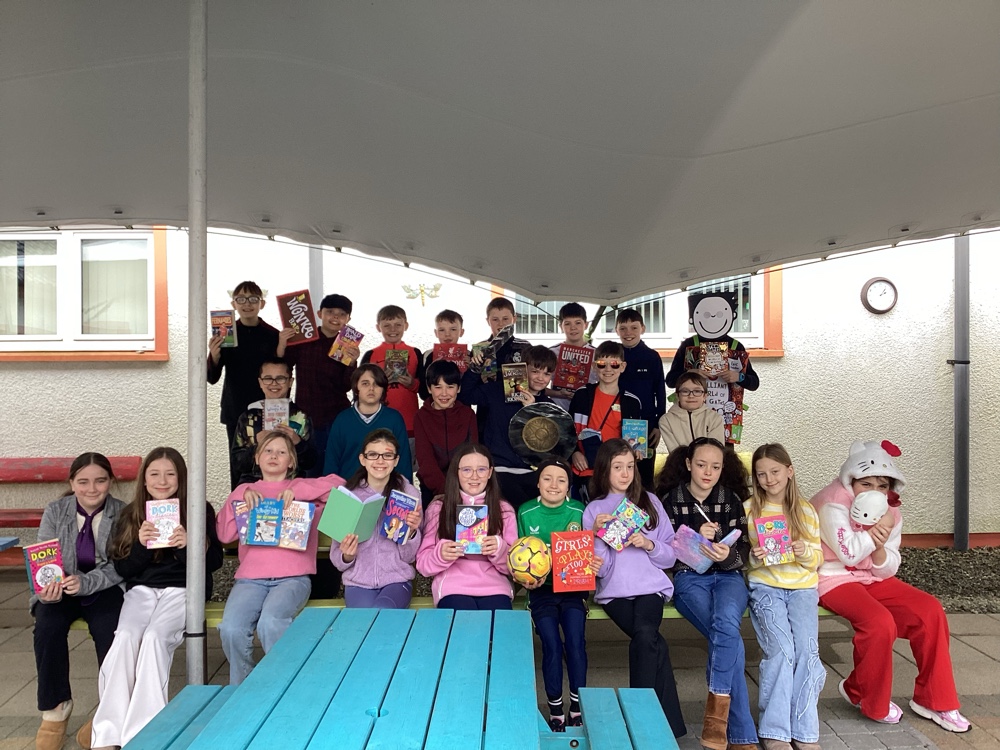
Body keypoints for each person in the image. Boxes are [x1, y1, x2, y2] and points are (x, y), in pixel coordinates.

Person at [812, 440, 970, 732]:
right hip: (833, 576)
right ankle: (866, 697)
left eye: (882, 486)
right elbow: (848, 554)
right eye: (865, 484)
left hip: (871, 576)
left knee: (929, 611)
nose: (873, 491)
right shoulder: (832, 502)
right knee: (879, 622)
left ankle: (934, 699)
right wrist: (875, 536)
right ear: (851, 481)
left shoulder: (890, 511)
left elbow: (889, 566)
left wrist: (880, 550)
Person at [90, 448, 223, 749]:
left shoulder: (198, 509)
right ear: (144, 480)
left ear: (181, 478)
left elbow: (214, 562)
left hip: (183, 589)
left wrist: (188, 545)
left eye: (170, 474)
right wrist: (140, 545)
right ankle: (108, 733)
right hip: (142, 590)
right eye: (154, 474)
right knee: (125, 637)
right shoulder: (131, 513)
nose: (162, 481)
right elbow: (123, 569)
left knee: (154, 638)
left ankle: (143, 732)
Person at [216, 432, 344, 684]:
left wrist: (297, 489)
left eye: (282, 452)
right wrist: (240, 497)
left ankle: (283, 684)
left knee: (271, 623)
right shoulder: (245, 491)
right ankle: (245, 686)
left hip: (292, 579)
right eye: (268, 450)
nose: (274, 455)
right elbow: (224, 534)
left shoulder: (304, 490)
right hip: (250, 580)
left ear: (292, 462)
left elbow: (340, 486)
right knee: (231, 628)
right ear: (257, 458)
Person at [658, 437, 757, 750]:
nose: (708, 472)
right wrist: (694, 542)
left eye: (715, 466)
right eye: (701, 465)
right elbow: (665, 554)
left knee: (725, 629)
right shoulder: (671, 500)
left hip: (728, 577)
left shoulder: (730, 499)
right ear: (689, 464)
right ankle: (740, 734)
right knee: (729, 638)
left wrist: (726, 554)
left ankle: (719, 721)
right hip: (690, 579)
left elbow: (744, 548)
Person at [582, 439, 686, 738]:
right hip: (614, 593)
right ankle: (663, 726)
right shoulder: (594, 510)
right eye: (617, 467)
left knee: (645, 635)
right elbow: (599, 570)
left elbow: (671, 555)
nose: (625, 473)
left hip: (651, 588)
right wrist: (597, 536)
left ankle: (639, 722)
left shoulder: (650, 501)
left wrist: (648, 544)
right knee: (652, 642)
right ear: (604, 470)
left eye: (630, 466)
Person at [31, 454, 125, 750]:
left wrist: (87, 583)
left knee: (110, 629)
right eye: (83, 482)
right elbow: (44, 557)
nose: (91, 489)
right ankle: (55, 707)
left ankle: (108, 713)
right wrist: (47, 588)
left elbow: (121, 565)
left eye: (100, 481)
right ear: (72, 483)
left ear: (111, 482)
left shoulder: (123, 513)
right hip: (62, 586)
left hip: (104, 585)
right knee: (47, 626)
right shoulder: (56, 510)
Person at [745, 444, 825, 750]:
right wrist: (753, 557)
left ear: (789, 472)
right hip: (766, 587)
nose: (769, 479)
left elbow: (817, 558)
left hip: (802, 588)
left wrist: (805, 552)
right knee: (782, 650)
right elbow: (744, 561)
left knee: (807, 651)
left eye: (775, 472)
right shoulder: (749, 510)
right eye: (761, 474)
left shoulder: (805, 510)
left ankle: (804, 729)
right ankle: (775, 731)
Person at [516, 457, 590, 732]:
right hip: (541, 591)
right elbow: (517, 557)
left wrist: (591, 563)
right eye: (547, 478)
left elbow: (589, 550)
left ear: (569, 486)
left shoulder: (578, 510)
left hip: (572, 590)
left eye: (561, 480)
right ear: (538, 482)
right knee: (551, 643)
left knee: (575, 641)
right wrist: (525, 579)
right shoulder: (526, 512)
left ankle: (577, 706)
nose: (554, 485)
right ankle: (555, 709)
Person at [416, 443, 518, 610]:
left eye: (481, 470)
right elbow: (423, 565)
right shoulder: (439, 508)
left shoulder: (504, 510)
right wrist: (441, 555)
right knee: (462, 622)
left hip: (495, 588)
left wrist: (500, 550)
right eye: (466, 470)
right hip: (452, 588)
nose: (474, 476)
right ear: (456, 472)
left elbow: (515, 567)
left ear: (490, 472)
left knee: (499, 624)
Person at [329, 429, 422, 608]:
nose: (380, 461)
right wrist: (347, 555)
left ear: (396, 460)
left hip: (397, 580)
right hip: (358, 582)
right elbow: (338, 561)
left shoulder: (409, 494)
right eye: (372, 455)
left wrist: (411, 534)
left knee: (383, 611)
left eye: (387, 455)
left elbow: (410, 557)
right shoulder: (346, 496)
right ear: (362, 459)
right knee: (364, 619)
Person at [459, 344, 557, 508]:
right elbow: (465, 396)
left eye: (547, 374)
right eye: (535, 371)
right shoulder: (497, 391)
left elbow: (549, 445)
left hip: (532, 473)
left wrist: (532, 411)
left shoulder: (549, 406)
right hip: (499, 469)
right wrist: (475, 369)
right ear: (522, 368)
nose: (541, 378)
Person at [207, 281, 279, 489]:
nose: (247, 304)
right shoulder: (225, 335)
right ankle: (239, 503)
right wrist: (214, 355)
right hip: (235, 409)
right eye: (241, 299)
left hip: (267, 409)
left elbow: (281, 373)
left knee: (270, 460)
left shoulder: (273, 335)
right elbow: (211, 377)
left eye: (253, 299)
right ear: (234, 304)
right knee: (239, 465)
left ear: (262, 304)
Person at [278, 293, 358, 473]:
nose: (335, 317)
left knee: (337, 468)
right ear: (319, 314)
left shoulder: (347, 344)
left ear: (348, 319)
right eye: (330, 312)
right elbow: (284, 367)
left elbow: (347, 386)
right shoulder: (305, 338)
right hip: (306, 415)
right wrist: (282, 343)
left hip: (337, 415)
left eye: (342, 314)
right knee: (309, 468)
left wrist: (352, 362)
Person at [568, 340, 643, 501]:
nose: (608, 369)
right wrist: (574, 453)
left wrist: (636, 450)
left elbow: (635, 440)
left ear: (622, 367)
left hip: (617, 473)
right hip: (585, 470)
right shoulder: (582, 395)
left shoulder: (632, 402)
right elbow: (568, 431)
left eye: (614, 364)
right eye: (602, 364)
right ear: (594, 366)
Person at [230, 357, 318, 484]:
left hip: (291, 486)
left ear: (290, 382)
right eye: (268, 378)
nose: (274, 383)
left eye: (280, 378)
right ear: (260, 382)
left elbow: (310, 462)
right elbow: (237, 464)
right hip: (253, 485)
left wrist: (297, 442)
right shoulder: (248, 418)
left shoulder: (301, 417)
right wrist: (257, 446)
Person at [324, 364, 414, 481]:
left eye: (376, 384)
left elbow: (404, 463)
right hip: (347, 488)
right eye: (365, 384)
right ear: (356, 388)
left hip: (386, 489)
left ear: (383, 389)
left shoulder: (394, 419)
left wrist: (403, 490)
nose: (371, 388)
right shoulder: (342, 419)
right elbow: (331, 464)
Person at [414, 359, 478, 507]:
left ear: (458, 389)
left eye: (450, 387)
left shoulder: (468, 414)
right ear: (429, 389)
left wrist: (461, 488)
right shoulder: (421, 416)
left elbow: (472, 454)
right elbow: (425, 460)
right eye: (438, 387)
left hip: (465, 486)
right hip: (432, 487)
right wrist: (444, 491)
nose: (444, 393)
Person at [614, 308, 665, 489]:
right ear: (616, 330)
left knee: (644, 476)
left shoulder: (652, 357)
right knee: (618, 472)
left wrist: (658, 425)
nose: (628, 333)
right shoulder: (613, 357)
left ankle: (646, 507)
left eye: (634, 328)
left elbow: (660, 393)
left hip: (645, 426)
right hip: (616, 422)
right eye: (623, 328)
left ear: (643, 328)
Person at [361, 305, 423, 442]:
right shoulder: (370, 354)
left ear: (406, 326)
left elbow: (426, 390)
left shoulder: (415, 352)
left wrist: (412, 384)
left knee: (408, 454)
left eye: (398, 325)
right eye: (387, 325)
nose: (393, 329)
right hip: (377, 421)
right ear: (378, 327)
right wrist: (379, 382)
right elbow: (360, 389)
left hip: (409, 422)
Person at [546, 302, 597, 412]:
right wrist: (558, 393)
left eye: (578, 323)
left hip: (588, 411)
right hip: (558, 411)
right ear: (561, 326)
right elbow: (538, 387)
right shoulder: (551, 353)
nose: (573, 328)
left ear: (586, 325)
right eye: (567, 324)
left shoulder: (596, 354)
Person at [659, 370, 725, 453]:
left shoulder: (714, 418)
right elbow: (675, 453)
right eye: (685, 391)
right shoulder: (666, 421)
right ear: (677, 396)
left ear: (705, 396)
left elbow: (715, 451)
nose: (691, 396)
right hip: (679, 461)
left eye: (697, 391)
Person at [418, 309, 468, 402]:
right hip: (434, 407)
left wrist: (471, 369)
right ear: (436, 333)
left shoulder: (469, 356)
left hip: (462, 407)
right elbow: (422, 392)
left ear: (461, 332)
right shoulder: (427, 356)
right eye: (442, 330)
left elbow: (473, 392)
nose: (447, 334)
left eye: (453, 329)